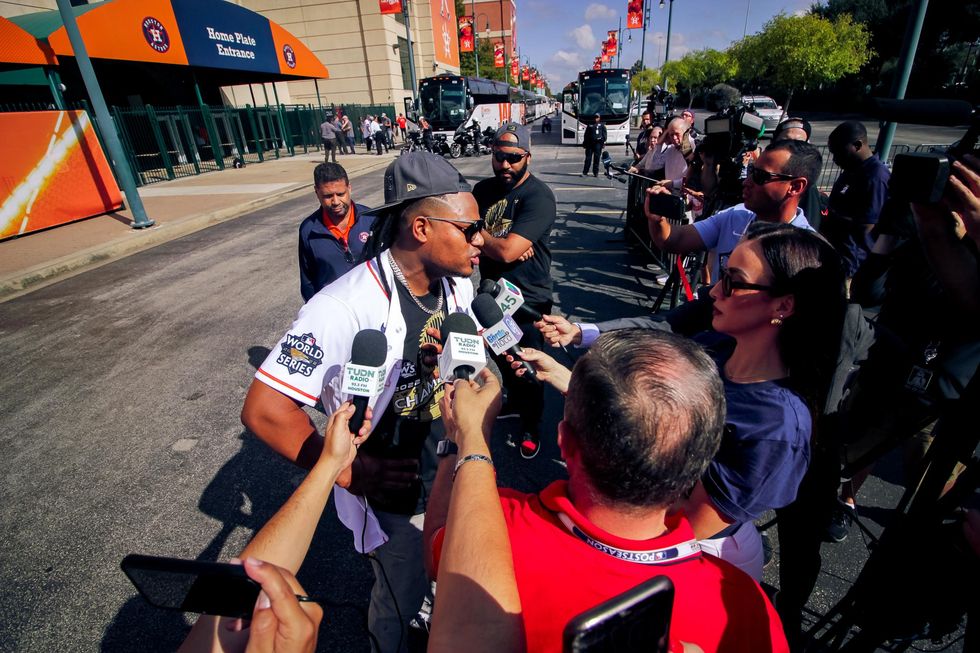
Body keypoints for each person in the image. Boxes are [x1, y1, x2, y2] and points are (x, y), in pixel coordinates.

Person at [241, 152, 482, 652]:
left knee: (446, 577)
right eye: (469, 229)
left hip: (450, 472)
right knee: (398, 598)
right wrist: (348, 471)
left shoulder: (457, 284)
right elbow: (265, 410)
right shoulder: (340, 306)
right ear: (421, 227)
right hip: (392, 497)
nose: (481, 240)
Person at [425, 330, 791, 652]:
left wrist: (461, 438)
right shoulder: (745, 604)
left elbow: (439, 540)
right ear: (698, 461)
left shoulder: (497, 522)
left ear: (564, 442)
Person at [473, 122, 557, 459]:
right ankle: (515, 401)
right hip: (491, 295)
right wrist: (498, 244)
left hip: (528, 299)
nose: (505, 164)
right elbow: (468, 231)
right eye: (499, 157)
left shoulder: (538, 197)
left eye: (513, 157)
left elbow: (507, 252)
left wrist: (485, 240)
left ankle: (532, 424)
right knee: (503, 357)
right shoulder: (481, 190)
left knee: (528, 367)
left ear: (528, 157)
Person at [819, 120, 891, 281]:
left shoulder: (876, 177)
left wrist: (834, 219)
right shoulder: (851, 171)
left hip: (854, 263)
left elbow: (867, 225)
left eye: (838, 152)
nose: (835, 159)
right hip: (837, 255)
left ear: (857, 145)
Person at [298, 163, 373, 301]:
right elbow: (308, 283)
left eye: (340, 194)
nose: (336, 201)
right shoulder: (308, 230)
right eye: (328, 196)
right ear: (317, 193)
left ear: (349, 188)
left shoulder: (371, 219)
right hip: (334, 308)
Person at [772, 117, 825, 231]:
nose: (791, 147)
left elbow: (810, 227)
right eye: (785, 141)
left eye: (799, 143)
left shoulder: (808, 188)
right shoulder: (761, 172)